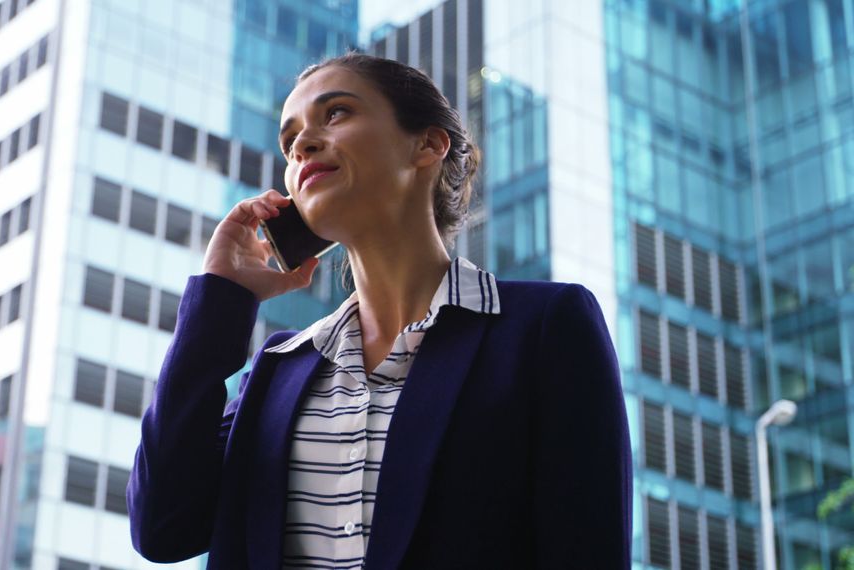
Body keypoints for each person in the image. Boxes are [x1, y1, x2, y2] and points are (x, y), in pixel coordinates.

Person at [127, 52, 632, 569]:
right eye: (288, 139)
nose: (301, 144)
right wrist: (220, 298)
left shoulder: (544, 328)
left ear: (429, 144)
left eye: (337, 113)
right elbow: (162, 527)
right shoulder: (278, 371)